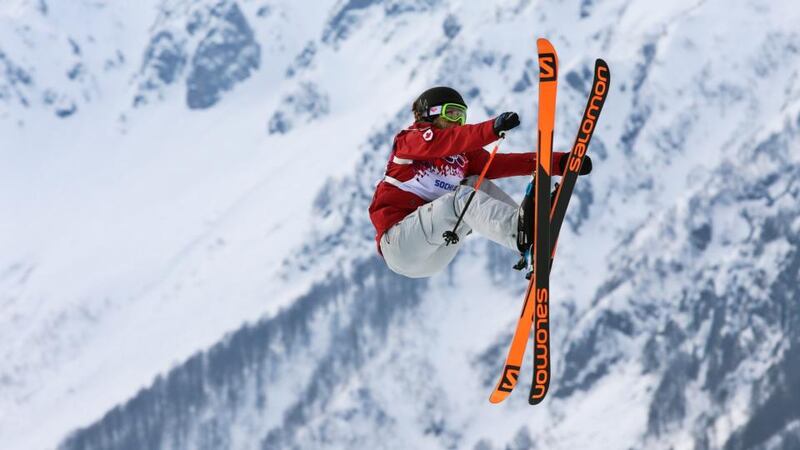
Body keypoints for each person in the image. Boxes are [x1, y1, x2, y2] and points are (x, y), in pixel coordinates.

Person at [368, 86, 591, 278]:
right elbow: (448, 140)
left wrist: (561, 163)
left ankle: (530, 233)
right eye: (452, 114)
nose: (458, 121)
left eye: (462, 116)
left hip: (436, 253)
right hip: (400, 245)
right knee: (460, 199)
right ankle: (519, 233)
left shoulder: (463, 157)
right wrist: (492, 128)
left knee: (475, 182)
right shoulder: (410, 140)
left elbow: (506, 164)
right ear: (431, 114)